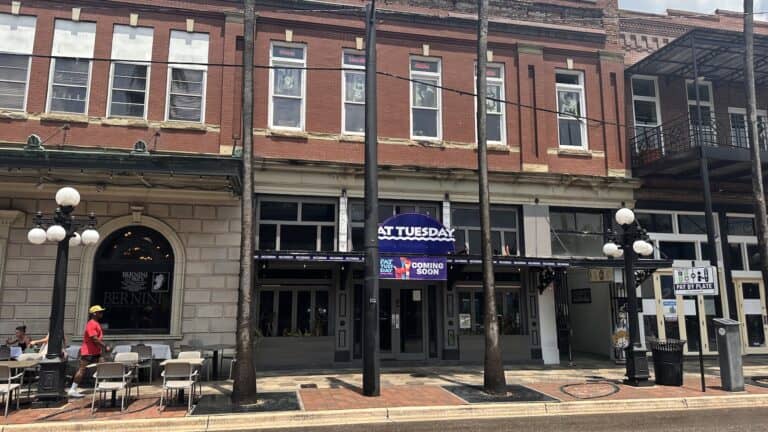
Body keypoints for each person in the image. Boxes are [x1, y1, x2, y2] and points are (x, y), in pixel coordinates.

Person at [68, 305, 110, 398]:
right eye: (99, 312)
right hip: (88, 352)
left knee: (102, 365)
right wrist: (105, 346)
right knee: (82, 370)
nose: (101, 313)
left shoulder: (96, 323)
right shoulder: (91, 324)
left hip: (96, 352)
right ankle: (72, 389)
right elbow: (94, 339)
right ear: (94, 313)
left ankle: (100, 384)